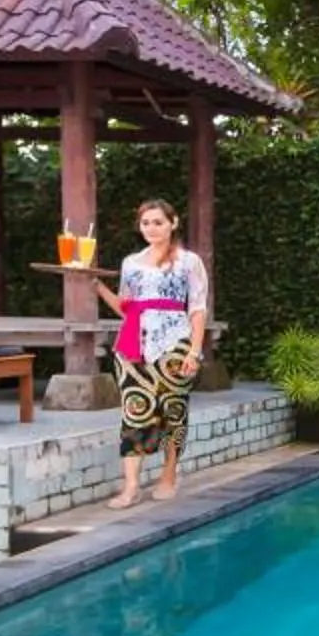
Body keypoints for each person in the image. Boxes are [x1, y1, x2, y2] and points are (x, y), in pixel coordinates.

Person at [94, 199, 209, 507]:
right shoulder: (131, 263)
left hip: (176, 343)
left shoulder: (189, 261)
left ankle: (169, 475)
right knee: (134, 412)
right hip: (133, 345)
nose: (151, 228)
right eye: (146, 223)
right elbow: (125, 307)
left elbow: (197, 310)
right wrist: (97, 287)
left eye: (158, 222)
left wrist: (194, 353)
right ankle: (131, 487)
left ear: (173, 223)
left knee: (173, 410)